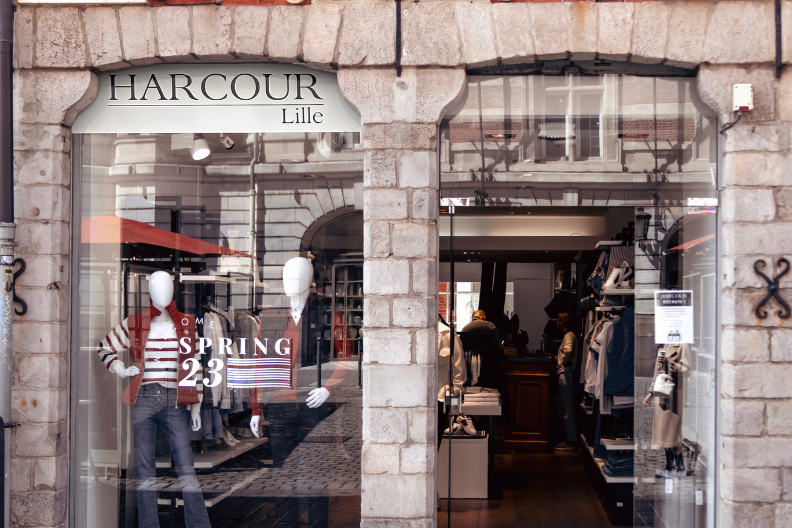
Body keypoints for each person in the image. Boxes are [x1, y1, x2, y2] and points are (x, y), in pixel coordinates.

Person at [553, 313, 578, 451]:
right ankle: (569, 438)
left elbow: (568, 350)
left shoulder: (568, 335)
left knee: (566, 407)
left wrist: (564, 362)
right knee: (562, 406)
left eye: (560, 321)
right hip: (566, 372)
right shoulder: (571, 335)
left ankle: (571, 440)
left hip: (565, 373)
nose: (557, 323)